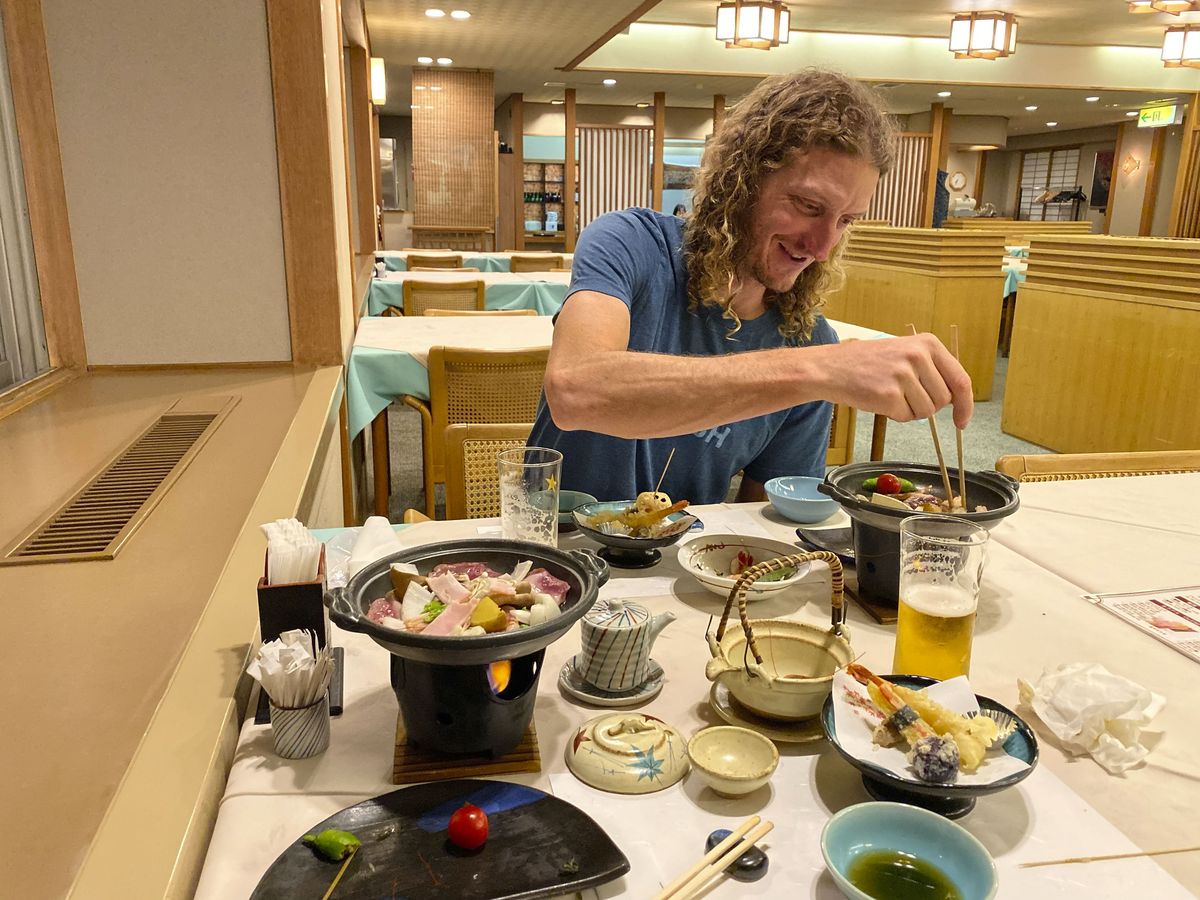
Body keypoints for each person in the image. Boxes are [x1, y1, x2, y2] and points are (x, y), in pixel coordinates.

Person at [529, 69, 972, 505]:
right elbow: (575, 389)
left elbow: (764, 523)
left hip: (677, 568)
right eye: (808, 206)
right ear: (740, 181)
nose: (822, 246)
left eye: (845, 220)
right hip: (556, 553)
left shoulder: (809, 341)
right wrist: (818, 371)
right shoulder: (631, 242)